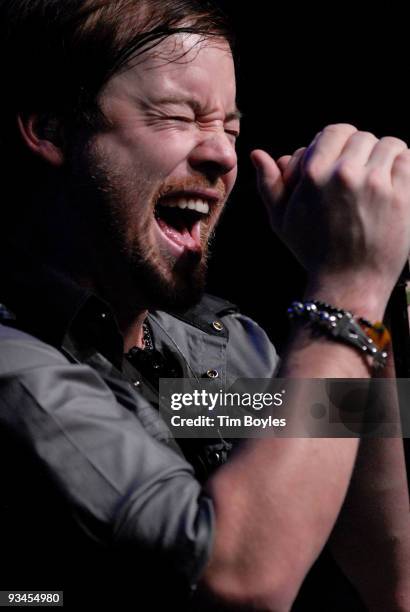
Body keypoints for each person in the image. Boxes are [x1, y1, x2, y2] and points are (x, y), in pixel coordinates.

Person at [0, 1, 409, 610]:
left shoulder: (228, 345)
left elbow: (387, 574)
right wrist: (346, 286)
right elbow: (241, 580)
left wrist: (366, 292)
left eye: (232, 129)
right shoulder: (16, 368)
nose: (222, 155)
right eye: (176, 116)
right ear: (51, 128)